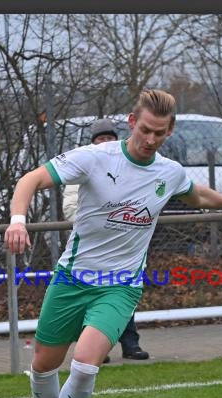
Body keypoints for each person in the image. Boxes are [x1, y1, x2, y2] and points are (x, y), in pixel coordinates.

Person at [4, 88, 222, 398]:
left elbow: (198, 195)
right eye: (145, 130)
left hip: (120, 285)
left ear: (169, 131)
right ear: (132, 122)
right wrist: (17, 221)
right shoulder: (95, 158)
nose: (150, 139)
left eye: (159, 133)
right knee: (44, 364)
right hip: (73, 278)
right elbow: (30, 180)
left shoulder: (168, 172)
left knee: (86, 360)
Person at [62, 118, 149, 363]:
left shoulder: (131, 166)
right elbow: (70, 208)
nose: (106, 143)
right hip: (92, 251)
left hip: (124, 249)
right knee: (90, 301)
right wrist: (104, 215)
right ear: (93, 142)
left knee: (122, 298)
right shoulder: (83, 165)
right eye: (101, 139)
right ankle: (97, 350)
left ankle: (130, 345)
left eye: (109, 138)